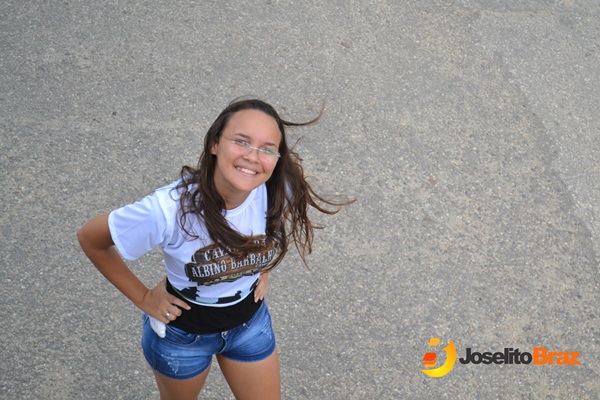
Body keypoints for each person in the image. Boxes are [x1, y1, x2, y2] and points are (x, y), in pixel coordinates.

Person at [77, 98, 353, 400]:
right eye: (241, 141)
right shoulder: (166, 210)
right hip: (181, 338)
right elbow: (91, 239)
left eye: (267, 148)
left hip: (249, 325)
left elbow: (267, 231)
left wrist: (259, 269)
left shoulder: (279, 188)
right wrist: (144, 298)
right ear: (214, 143)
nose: (253, 157)